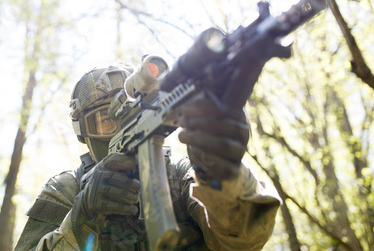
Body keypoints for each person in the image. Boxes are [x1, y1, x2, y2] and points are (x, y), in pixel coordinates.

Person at [15, 63, 281, 251]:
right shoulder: (65, 191)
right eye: (106, 121)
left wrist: (221, 173)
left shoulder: (180, 177)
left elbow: (245, 239)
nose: (118, 129)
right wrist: (82, 219)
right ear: (83, 133)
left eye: (128, 117)